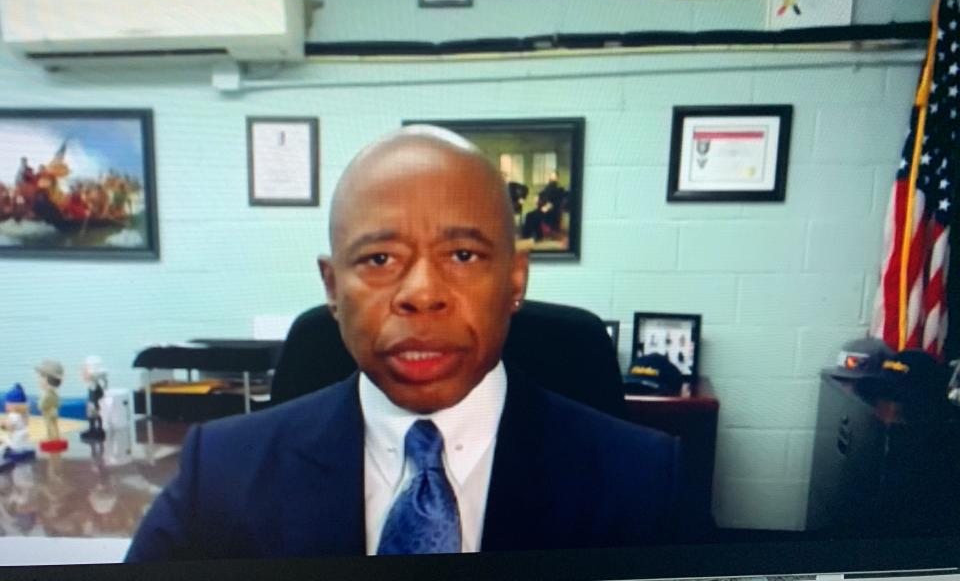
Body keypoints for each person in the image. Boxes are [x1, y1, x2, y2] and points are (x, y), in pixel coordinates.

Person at [126, 126, 684, 561]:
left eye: (463, 256)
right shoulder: (220, 470)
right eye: (379, 260)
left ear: (516, 280)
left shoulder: (642, 482)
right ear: (332, 287)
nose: (421, 295)